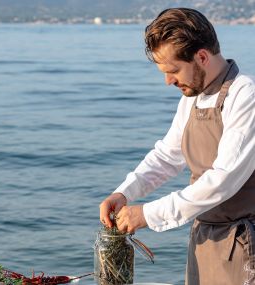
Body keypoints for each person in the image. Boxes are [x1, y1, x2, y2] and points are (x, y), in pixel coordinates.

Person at [99, 7, 255, 285]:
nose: (168, 80)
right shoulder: (192, 97)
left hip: (244, 242)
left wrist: (148, 214)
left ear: (202, 57)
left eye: (173, 70)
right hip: (204, 236)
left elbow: (222, 181)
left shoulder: (245, 96)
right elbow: (167, 156)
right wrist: (125, 192)